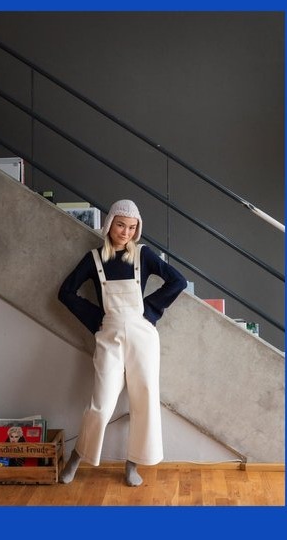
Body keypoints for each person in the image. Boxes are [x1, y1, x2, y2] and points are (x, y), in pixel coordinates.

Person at [58, 199, 187, 486]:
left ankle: (132, 464)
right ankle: (76, 457)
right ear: (109, 224)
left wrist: (149, 312)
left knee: (145, 399)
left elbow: (177, 281)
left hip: (143, 336)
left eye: (132, 227)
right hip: (109, 336)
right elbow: (66, 293)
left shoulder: (143, 254)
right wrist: (97, 319)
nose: (125, 232)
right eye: (120, 225)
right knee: (101, 404)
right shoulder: (93, 258)